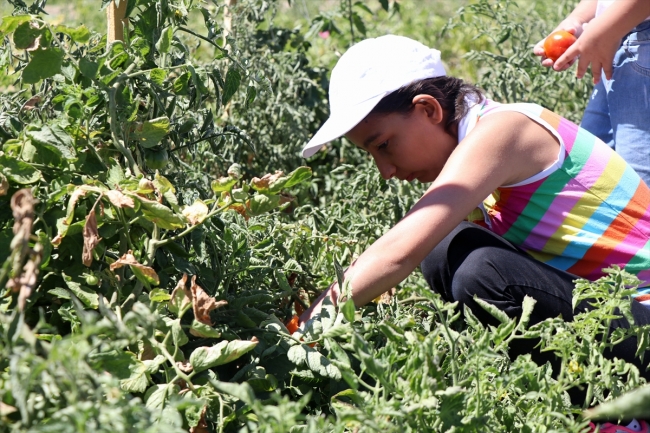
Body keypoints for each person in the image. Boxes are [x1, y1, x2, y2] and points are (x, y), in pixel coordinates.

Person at [300, 34, 650, 432]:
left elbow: (399, 251)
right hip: (612, 312)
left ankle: (615, 417)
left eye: (383, 146)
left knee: (483, 273)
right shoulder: (485, 132)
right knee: (447, 248)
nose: (386, 171)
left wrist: (306, 329)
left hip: (643, 322)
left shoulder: (505, 130)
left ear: (428, 109)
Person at [534, 0, 650, 188]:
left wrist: (606, 28)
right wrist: (577, 20)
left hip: (636, 38)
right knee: (589, 171)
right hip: (619, 36)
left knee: (639, 184)